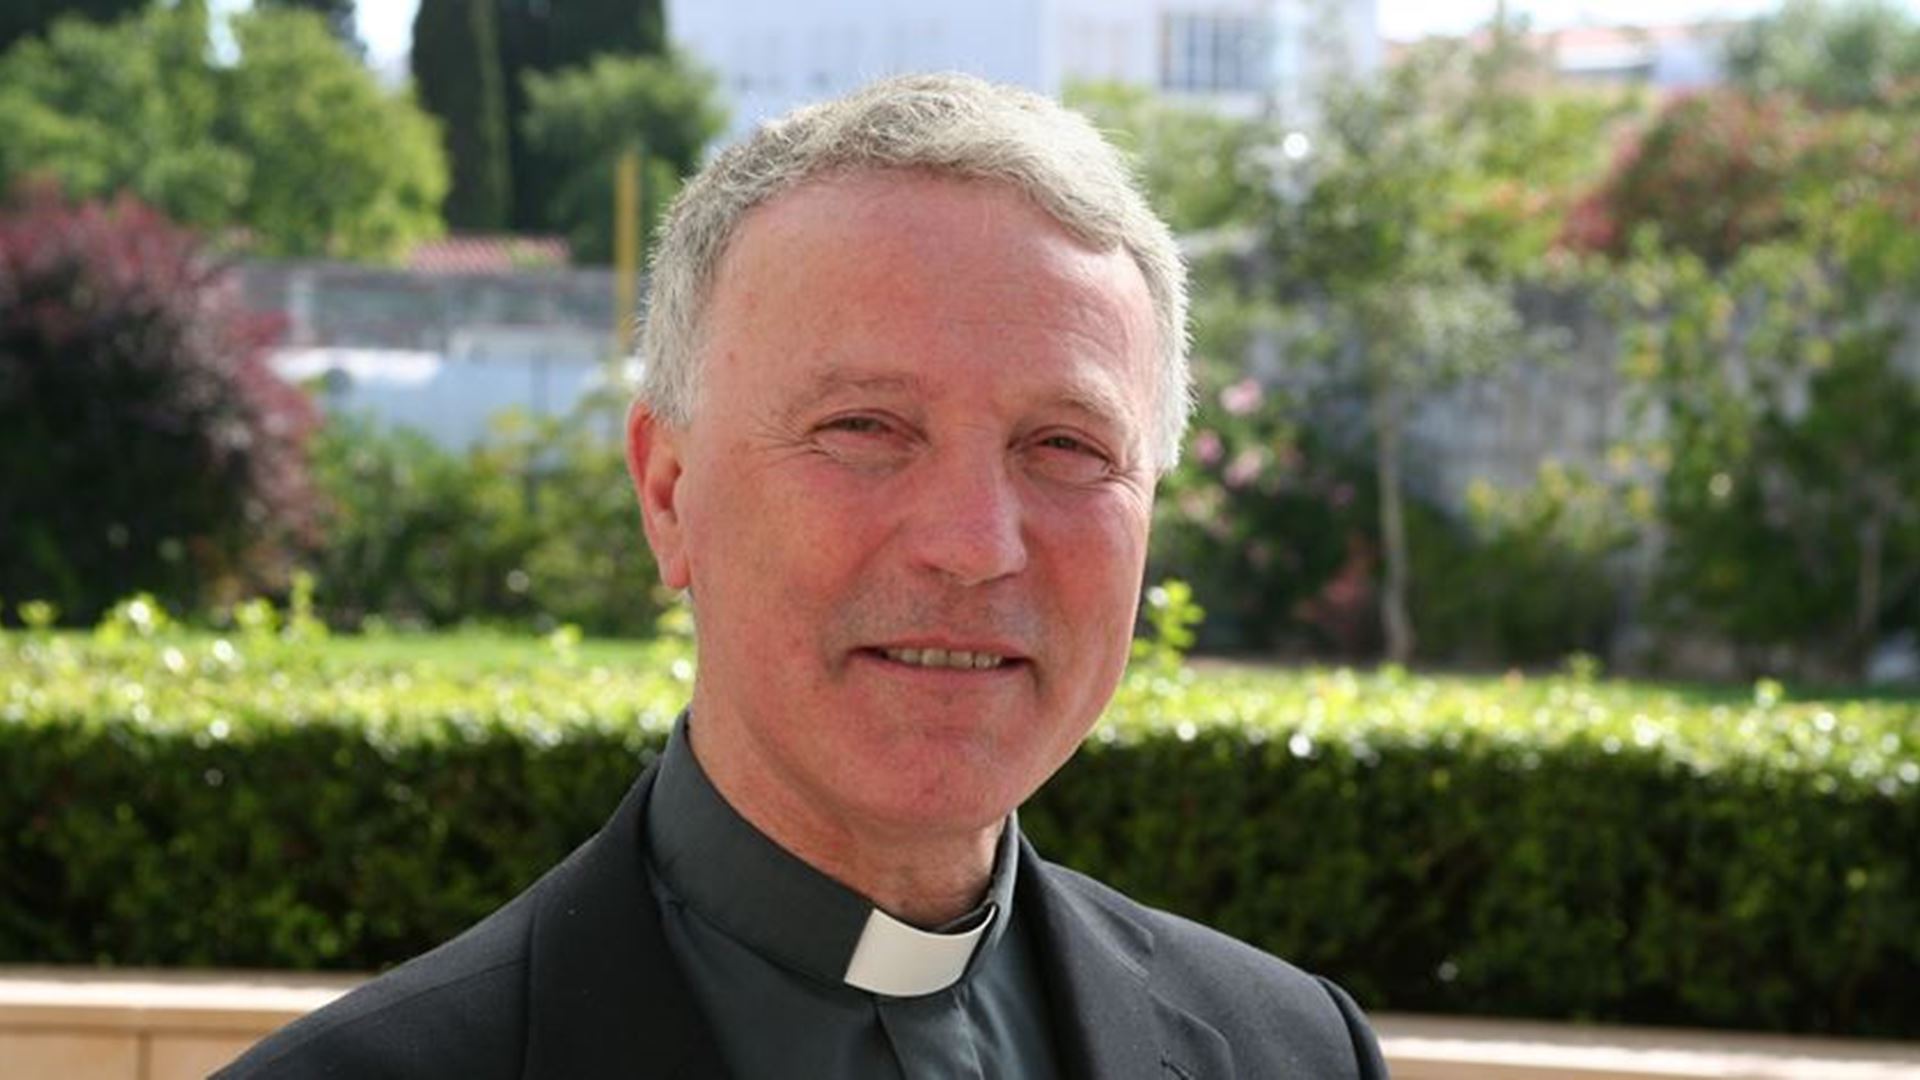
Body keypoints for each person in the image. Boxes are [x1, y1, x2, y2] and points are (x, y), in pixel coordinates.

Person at [220, 73, 1389, 1079]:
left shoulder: (1296, 1056)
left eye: (1066, 446)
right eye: (865, 428)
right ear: (669, 493)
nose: (975, 544)